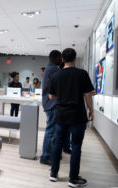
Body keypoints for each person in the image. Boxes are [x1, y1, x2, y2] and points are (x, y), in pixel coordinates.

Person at [49, 48, 94, 187]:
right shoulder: (82, 74)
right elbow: (88, 94)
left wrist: (63, 94)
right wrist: (91, 110)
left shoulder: (56, 75)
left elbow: (51, 96)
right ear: (75, 58)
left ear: (62, 59)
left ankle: (53, 174)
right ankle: (73, 178)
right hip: (77, 116)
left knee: (57, 144)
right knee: (76, 146)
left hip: (61, 115)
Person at [40, 50, 71, 166]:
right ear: (56, 58)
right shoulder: (53, 69)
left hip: (50, 104)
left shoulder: (50, 68)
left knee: (53, 131)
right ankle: (45, 156)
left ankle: (50, 154)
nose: (61, 60)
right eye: (60, 58)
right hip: (52, 104)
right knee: (51, 131)